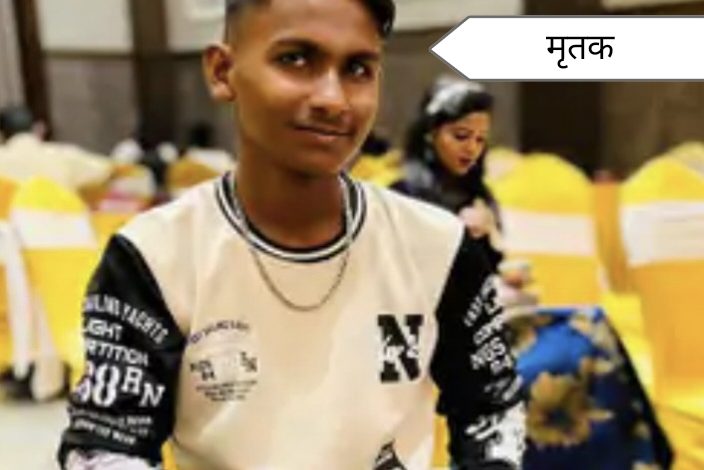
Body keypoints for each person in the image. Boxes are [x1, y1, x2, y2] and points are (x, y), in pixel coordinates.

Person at [58, 1, 524, 469]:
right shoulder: (155, 256)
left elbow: (491, 407)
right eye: (295, 59)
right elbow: (106, 446)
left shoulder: (437, 247)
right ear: (222, 71)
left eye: (358, 69)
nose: (333, 99)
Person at [393, 77, 504, 272]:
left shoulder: (476, 196)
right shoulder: (400, 195)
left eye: (480, 139)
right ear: (430, 133)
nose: (471, 148)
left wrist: (491, 235)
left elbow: (488, 271)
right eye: (461, 136)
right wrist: (453, 231)